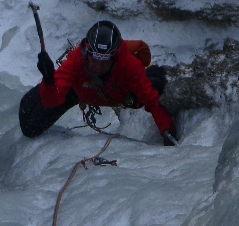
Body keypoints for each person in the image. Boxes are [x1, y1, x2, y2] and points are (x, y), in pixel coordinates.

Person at [19, 20, 179, 144]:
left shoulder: (128, 64)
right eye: (94, 60)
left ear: (114, 58)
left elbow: (152, 100)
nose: (98, 66)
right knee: (29, 124)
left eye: (104, 62)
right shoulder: (76, 60)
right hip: (81, 90)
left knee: (156, 82)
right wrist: (48, 80)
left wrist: (167, 131)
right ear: (87, 52)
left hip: (122, 92)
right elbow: (53, 99)